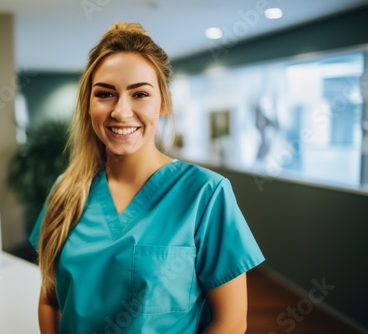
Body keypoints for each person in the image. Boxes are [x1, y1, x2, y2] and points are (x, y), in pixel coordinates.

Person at [29, 22, 265, 334]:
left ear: (163, 102)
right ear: (88, 104)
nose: (121, 112)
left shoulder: (206, 194)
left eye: (139, 94)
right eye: (105, 94)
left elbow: (230, 322)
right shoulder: (66, 192)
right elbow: (50, 302)